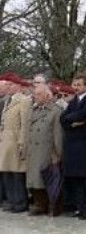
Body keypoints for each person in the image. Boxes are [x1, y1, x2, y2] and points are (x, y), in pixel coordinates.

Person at [60, 74, 86, 220]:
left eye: (79, 85)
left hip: (85, 144)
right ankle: (80, 206)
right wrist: (73, 122)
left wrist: (72, 119)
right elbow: (63, 118)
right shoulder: (73, 101)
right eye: (74, 84)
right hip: (72, 144)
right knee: (76, 178)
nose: (76, 87)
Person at [24, 84, 63, 216]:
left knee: (48, 179)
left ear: (48, 96)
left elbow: (57, 134)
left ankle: (53, 205)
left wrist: (57, 153)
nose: (35, 97)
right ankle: (39, 204)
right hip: (33, 150)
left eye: (39, 94)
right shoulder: (32, 110)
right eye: (35, 94)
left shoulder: (55, 111)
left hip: (46, 150)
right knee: (34, 179)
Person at [0, 73, 32, 213]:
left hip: (15, 140)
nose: (8, 87)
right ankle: (12, 201)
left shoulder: (23, 100)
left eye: (11, 84)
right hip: (6, 141)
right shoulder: (8, 100)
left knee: (17, 173)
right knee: (7, 172)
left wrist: (22, 143)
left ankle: (20, 202)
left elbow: (25, 124)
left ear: (18, 86)